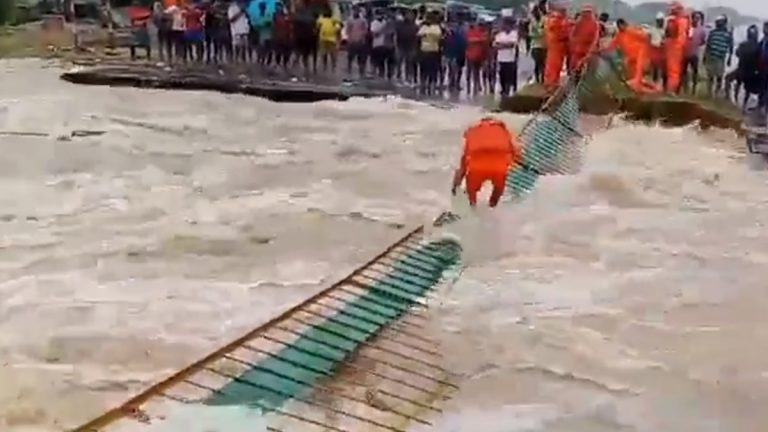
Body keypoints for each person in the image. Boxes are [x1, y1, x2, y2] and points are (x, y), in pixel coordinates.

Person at [451, 117, 522, 208]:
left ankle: (472, 209)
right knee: (497, 192)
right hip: (499, 170)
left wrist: (455, 187)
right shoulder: (504, 130)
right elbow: (516, 153)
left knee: (471, 197)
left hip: (475, 169)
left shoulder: (472, 131)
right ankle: (492, 206)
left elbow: (463, 165)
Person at [606, 18, 658, 93]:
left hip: (640, 55)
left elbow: (646, 37)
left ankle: (652, 90)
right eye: (619, 26)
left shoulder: (632, 30)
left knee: (638, 76)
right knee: (634, 77)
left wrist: (648, 52)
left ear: (624, 24)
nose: (621, 27)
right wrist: (600, 50)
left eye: (621, 25)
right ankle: (649, 89)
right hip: (631, 58)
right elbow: (611, 45)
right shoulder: (619, 35)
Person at [703, 15, 733, 97]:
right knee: (710, 76)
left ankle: (716, 93)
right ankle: (709, 93)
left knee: (719, 77)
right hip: (712, 57)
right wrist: (705, 56)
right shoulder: (713, 33)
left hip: (721, 58)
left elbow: (731, 46)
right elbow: (708, 45)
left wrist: (729, 58)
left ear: (724, 23)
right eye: (717, 22)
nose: (718, 23)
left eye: (720, 22)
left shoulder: (728, 34)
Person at [733, 25, 762, 110]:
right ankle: (744, 105)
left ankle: (735, 100)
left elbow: (737, 53)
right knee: (747, 90)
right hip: (751, 71)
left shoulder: (743, 44)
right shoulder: (758, 46)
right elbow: (759, 59)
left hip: (741, 68)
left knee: (737, 84)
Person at [664, 2, 690, 93]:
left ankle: (672, 90)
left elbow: (681, 37)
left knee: (674, 70)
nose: (672, 10)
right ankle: (670, 89)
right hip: (671, 46)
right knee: (670, 69)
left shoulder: (682, 21)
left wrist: (677, 47)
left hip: (675, 47)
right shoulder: (672, 20)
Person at [543, 4, 570, 90]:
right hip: (557, 46)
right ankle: (551, 84)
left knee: (553, 65)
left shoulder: (555, 20)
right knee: (554, 65)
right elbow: (560, 34)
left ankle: (551, 83)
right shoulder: (556, 21)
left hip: (556, 47)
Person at [568, 4, 600, 75]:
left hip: (586, 49)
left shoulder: (594, 24)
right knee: (575, 66)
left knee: (586, 68)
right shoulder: (579, 22)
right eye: (585, 12)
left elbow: (595, 38)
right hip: (579, 49)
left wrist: (591, 50)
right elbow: (572, 35)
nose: (586, 14)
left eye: (588, 12)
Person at [417, 10, 443, 95]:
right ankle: (429, 86)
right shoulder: (436, 28)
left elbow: (418, 36)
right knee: (431, 70)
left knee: (427, 70)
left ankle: (425, 86)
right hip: (432, 51)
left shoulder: (427, 27)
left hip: (428, 51)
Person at [494, 17, 519, 96]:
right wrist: (506, 45)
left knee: (510, 76)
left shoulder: (514, 34)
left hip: (510, 59)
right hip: (501, 59)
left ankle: (508, 90)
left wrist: (502, 45)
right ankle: (503, 90)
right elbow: (496, 45)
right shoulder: (499, 34)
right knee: (502, 75)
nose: (505, 26)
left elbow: (512, 45)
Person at [682, 11, 706, 94]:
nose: (696, 19)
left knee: (694, 72)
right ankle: (685, 88)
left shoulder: (702, 30)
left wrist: (696, 44)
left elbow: (703, 41)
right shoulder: (687, 28)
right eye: (695, 17)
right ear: (692, 18)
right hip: (685, 53)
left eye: (698, 18)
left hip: (694, 54)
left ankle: (693, 90)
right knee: (684, 72)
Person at [370, 9, 396, 80]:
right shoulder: (374, 23)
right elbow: (374, 34)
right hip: (377, 45)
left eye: (382, 14)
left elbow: (391, 33)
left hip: (386, 45)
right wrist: (382, 29)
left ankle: (389, 77)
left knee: (389, 62)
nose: (380, 16)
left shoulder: (386, 22)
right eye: (379, 14)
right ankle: (380, 76)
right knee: (380, 63)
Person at [466, 19, 490, 93]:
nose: (482, 27)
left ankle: (476, 86)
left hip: (480, 56)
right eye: (481, 25)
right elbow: (469, 40)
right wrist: (480, 40)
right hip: (471, 55)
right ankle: (470, 87)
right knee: (471, 72)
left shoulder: (485, 33)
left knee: (477, 72)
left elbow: (487, 45)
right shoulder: (473, 32)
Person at [395, 9, 419, 83]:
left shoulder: (415, 26)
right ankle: (398, 75)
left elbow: (417, 36)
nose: (409, 16)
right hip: (401, 45)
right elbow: (396, 34)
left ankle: (408, 77)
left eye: (411, 15)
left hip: (411, 46)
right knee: (399, 61)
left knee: (409, 62)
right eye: (408, 15)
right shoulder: (399, 24)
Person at [345, 5, 369, 76]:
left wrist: (362, 37)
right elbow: (347, 31)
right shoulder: (350, 20)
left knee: (361, 58)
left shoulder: (363, 20)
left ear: (359, 11)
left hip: (361, 42)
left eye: (357, 10)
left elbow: (366, 30)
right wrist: (349, 39)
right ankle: (349, 71)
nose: (356, 12)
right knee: (350, 57)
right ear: (353, 11)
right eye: (354, 10)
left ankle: (361, 72)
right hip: (352, 41)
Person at [444, 20, 467, 91]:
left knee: (454, 69)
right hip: (456, 53)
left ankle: (453, 83)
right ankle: (454, 83)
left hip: (457, 53)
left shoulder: (455, 34)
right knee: (454, 69)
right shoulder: (461, 34)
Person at [317, 7, 340, 73]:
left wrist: (338, 39)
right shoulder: (321, 19)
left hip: (331, 39)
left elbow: (338, 29)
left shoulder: (334, 20)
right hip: (323, 39)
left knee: (332, 54)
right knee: (324, 54)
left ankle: (333, 67)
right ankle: (326, 66)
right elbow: (318, 27)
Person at [528, 6, 546, 84]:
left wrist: (538, 32)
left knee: (542, 64)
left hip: (543, 45)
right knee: (538, 63)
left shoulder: (543, 20)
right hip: (536, 45)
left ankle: (542, 79)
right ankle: (538, 79)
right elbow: (530, 34)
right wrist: (539, 32)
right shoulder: (532, 23)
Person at [272, 4, 293, 69]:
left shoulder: (288, 17)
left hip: (286, 37)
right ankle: (279, 64)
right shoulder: (275, 16)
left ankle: (284, 64)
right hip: (279, 37)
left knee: (286, 52)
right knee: (278, 52)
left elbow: (291, 26)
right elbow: (273, 26)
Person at [648, 12, 666, 86]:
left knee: (661, 68)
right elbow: (648, 38)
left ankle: (660, 84)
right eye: (659, 21)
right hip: (654, 49)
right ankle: (654, 83)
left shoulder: (664, 30)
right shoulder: (652, 29)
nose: (660, 22)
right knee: (654, 67)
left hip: (661, 50)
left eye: (661, 21)